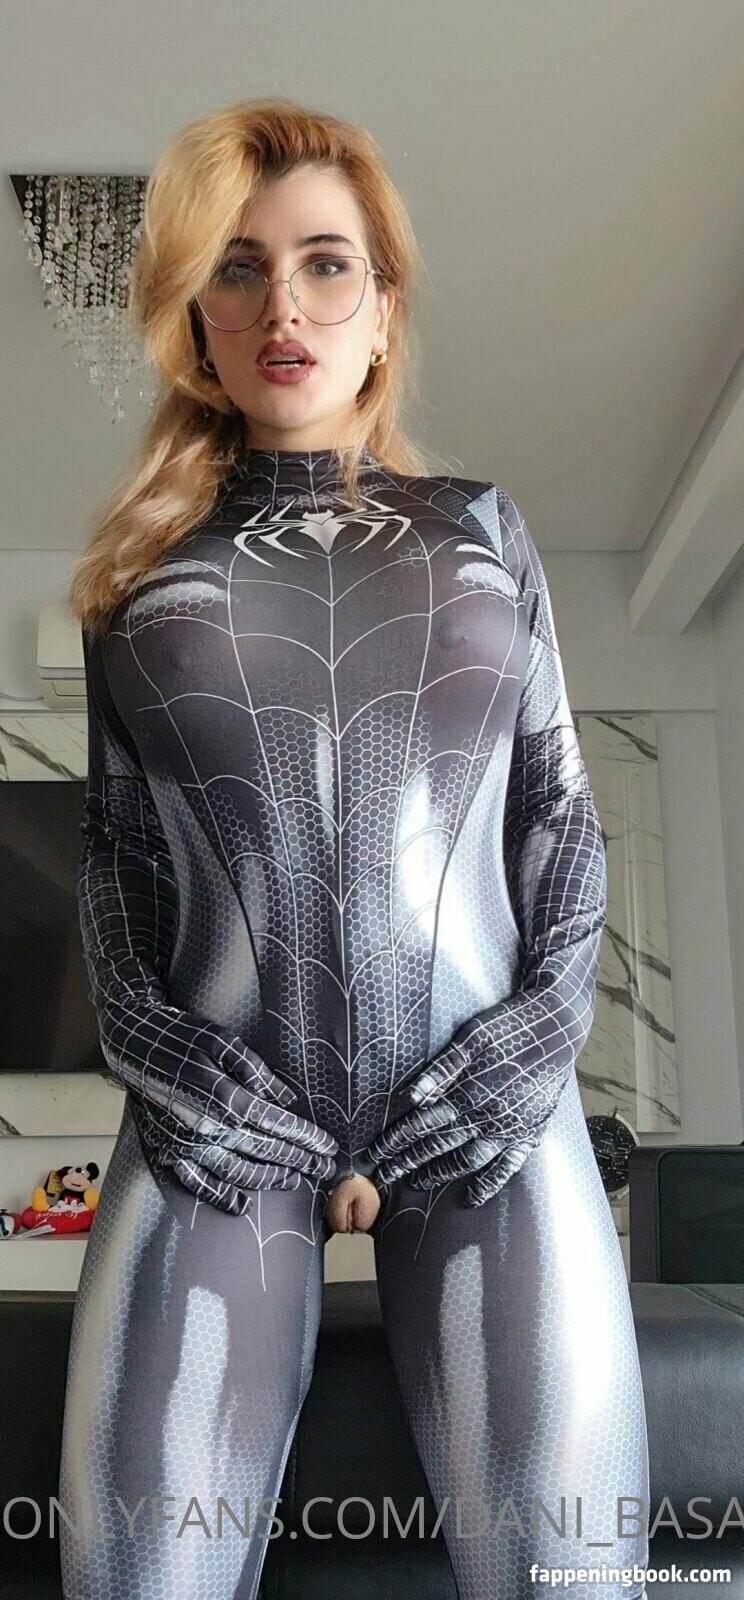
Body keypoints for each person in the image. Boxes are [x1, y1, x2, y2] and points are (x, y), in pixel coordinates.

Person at [59, 96, 649, 1600]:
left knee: (572, 1582)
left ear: (383, 308)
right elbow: (117, 867)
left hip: (488, 1118)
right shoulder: (135, 579)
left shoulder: (482, 530)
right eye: (238, 267)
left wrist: (528, 1057)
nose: (284, 306)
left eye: (326, 265)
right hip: (216, 1125)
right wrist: (163, 1059)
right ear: (194, 316)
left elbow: (561, 820)